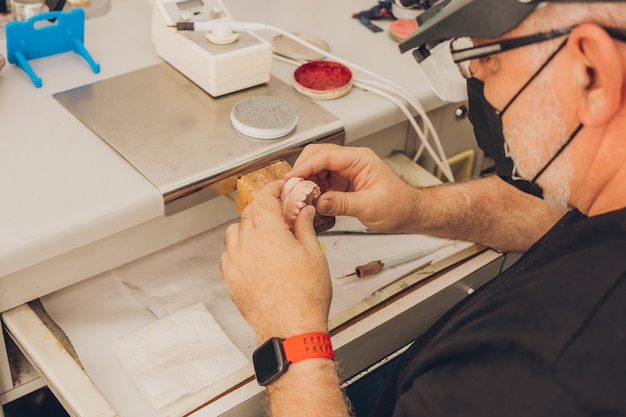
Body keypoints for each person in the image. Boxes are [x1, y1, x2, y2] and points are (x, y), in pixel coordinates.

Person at [220, 0, 626, 415]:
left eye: (486, 55)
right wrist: (415, 207)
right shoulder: (607, 195)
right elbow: (561, 217)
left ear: (591, 72)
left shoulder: (537, 372)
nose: (478, 76)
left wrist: (289, 330)